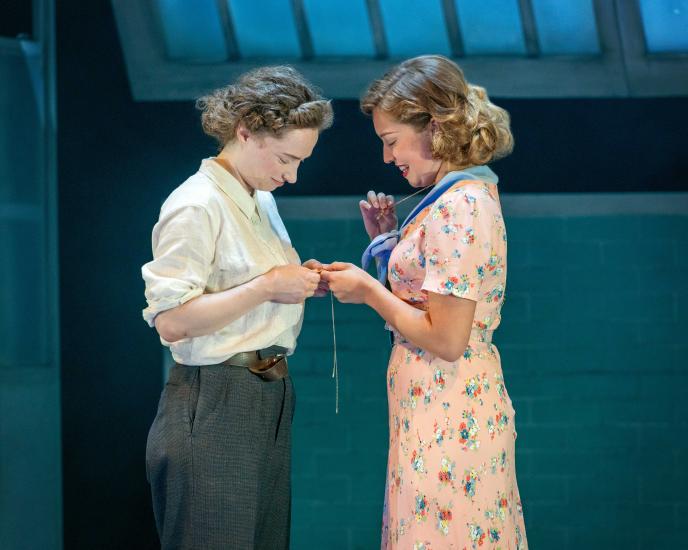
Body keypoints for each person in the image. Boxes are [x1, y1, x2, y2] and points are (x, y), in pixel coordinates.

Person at [321, 55, 528, 549]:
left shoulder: (462, 204)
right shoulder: (448, 199)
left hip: (452, 409)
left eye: (391, 141)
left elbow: (448, 338)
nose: (388, 158)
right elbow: (432, 299)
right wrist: (391, 242)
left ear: (433, 128)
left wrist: (369, 291)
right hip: (430, 407)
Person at [141, 66, 332, 550]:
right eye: (286, 158)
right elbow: (172, 320)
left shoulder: (259, 196)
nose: (291, 175)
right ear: (245, 131)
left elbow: (247, 286)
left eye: (300, 162)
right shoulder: (197, 204)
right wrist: (268, 286)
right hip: (216, 397)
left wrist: (296, 283)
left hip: (267, 393)